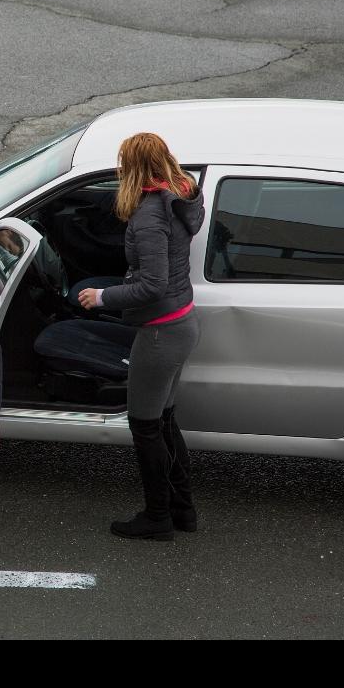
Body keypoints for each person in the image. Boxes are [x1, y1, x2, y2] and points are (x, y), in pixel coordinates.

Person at [77, 133, 205, 539]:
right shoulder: (179, 198)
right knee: (165, 422)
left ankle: (157, 518)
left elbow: (152, 284)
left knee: (145, 426)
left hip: (159, 333)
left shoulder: (150, 215)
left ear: (132, 167)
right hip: (181, 323)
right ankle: (183, 512)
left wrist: (102, 297)